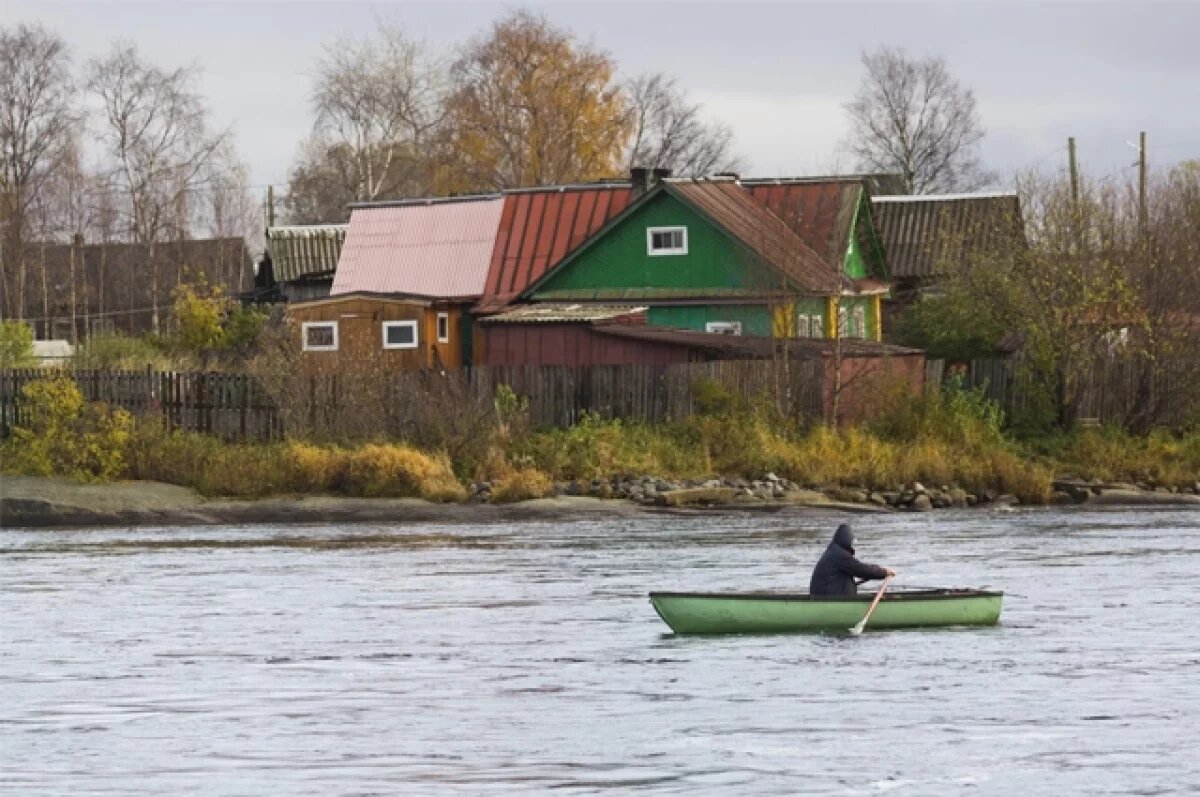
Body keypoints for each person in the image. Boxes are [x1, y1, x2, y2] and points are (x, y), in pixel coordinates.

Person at [809, 523, 895, 596]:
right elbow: (860, 569)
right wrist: (884, 572)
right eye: (852, 541)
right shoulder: (839, 555)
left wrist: (877, 571)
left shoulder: (833, 551)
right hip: (828, 599)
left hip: (826, 595)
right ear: (847, 540)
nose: (852, 544)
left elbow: (858, 568)